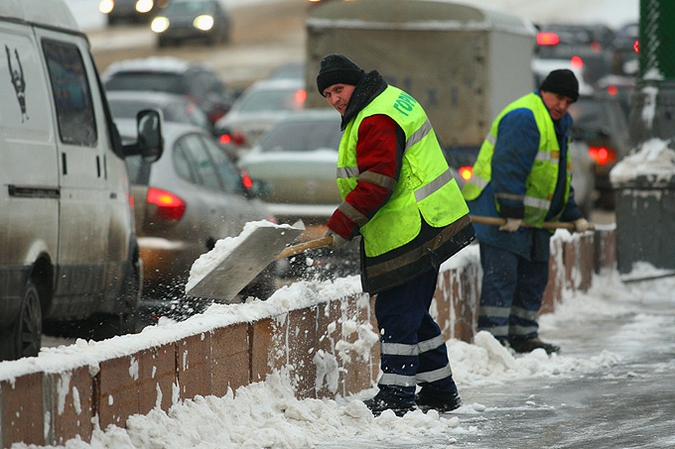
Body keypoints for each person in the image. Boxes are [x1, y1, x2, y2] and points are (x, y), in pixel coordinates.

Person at [316, 54, 476, 417]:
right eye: (327, 94)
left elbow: (377, 180)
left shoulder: (375, 117)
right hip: (428, 222)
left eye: (338, 89)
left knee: (397, 312)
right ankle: (439, 389)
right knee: (414, 313)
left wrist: (343, 223)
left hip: (412, 227)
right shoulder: (386, 100)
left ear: (355, 83)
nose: (335, 99)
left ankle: (396, 396)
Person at [462, 69, 591, 355]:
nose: (563, 106)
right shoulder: (524, 117)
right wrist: (511, 209)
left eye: (569, 102)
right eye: (559, 98)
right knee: (503, 276)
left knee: (533, 276)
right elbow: (509, 166)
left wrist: (571, 213)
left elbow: (557, 176)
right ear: (544, 91)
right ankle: (492, 341)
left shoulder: (559, 122)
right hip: (500, 212)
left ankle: (524, 335)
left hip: (533, 218)